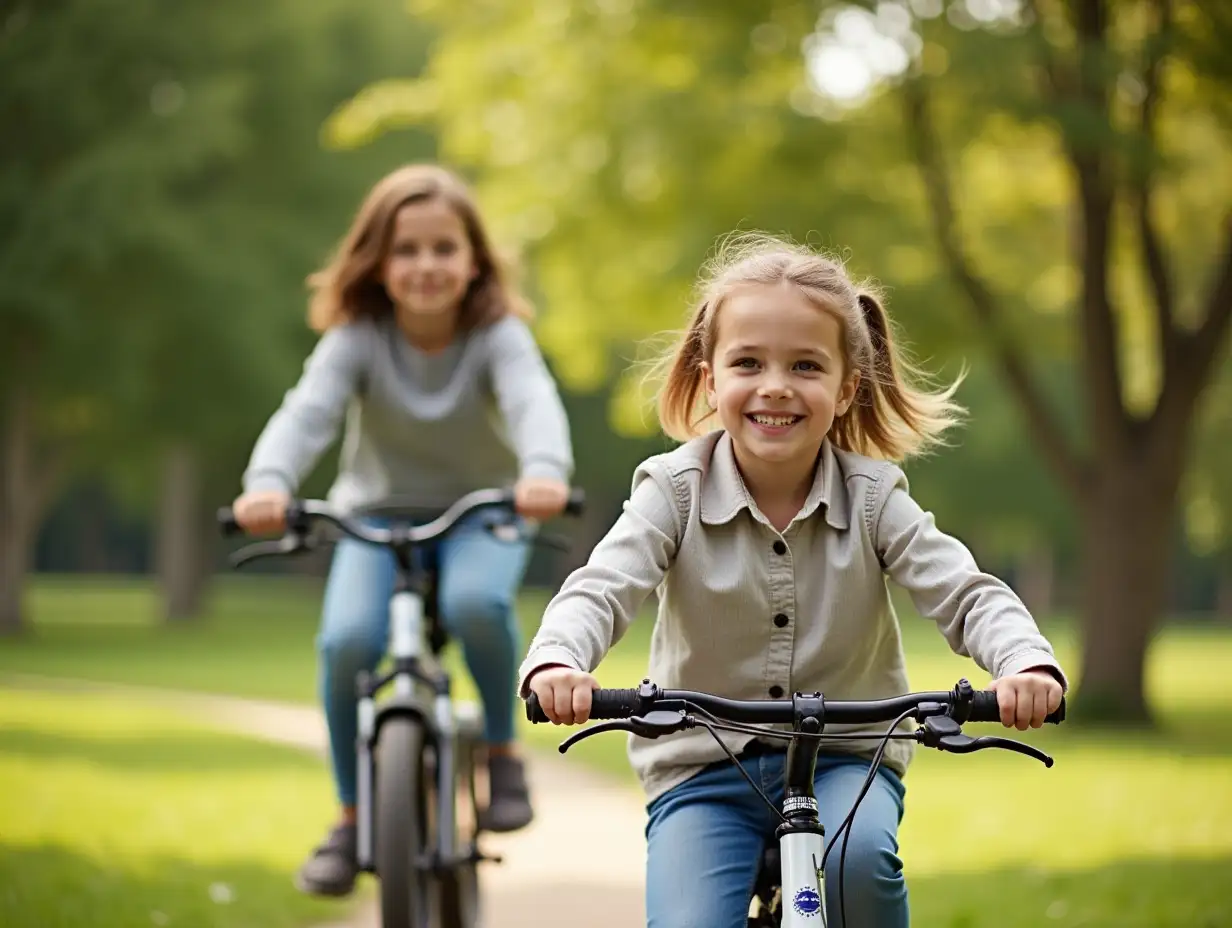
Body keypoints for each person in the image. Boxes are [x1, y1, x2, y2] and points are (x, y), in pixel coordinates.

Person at [520, 233, 1066, 928]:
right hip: (703, 775)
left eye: (806, 365)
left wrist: (1023, 660)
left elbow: (963, 589)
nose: (775, 385)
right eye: (748, 362)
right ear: (711, 379)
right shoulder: (673, 492)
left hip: (848, 764)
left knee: (856, 864)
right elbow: (602, 585)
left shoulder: (874, 498)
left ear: (845, 389)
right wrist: (561, 661)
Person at [230, 163, 575, 897]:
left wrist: (543, 470)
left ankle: (503, 752)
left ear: (474, 260)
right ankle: (354, 814)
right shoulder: (357, 337)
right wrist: (268, 483)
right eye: (407, 250)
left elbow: (532, 400)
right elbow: (307, 412)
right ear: (377, 264)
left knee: (477, 606)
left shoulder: (496, 335)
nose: (426, 266)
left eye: (443, 249)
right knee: (345, 641)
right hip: (374, 516)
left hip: (482, 512)